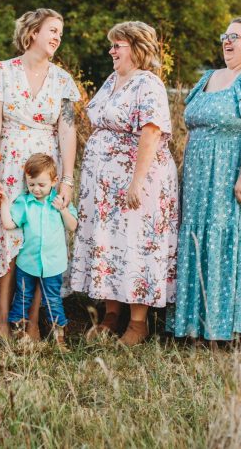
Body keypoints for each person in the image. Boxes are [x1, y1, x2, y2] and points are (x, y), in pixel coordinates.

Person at [168, 18, 241, 343]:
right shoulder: (208, 77)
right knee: (200, 238)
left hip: (234, 172)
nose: (227, 42)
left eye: (236, 37)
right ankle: (200, 325)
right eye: (225, 36)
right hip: (199, 178)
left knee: (235, 238)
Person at [69, 21, 179, 346]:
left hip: (139, 178)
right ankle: (110, 312)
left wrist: (137, 182)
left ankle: (138, 321)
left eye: (117, 45)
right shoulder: (113, 80)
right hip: (104, 187)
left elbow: (151, 131)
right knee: (109, 243)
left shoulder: (148, 83)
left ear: (136, 46)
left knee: (136, 244)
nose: (111, 50)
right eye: (112, 45)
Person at [0, 9, 80, 339]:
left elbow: (67, 130)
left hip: (46, 164)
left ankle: (33, 322)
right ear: (32, 32)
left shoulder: (62, 79)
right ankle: (3, 318)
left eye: (60, 33)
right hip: (9, 162)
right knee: (10, 239)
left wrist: (66, 179)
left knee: (41, 241)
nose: (57, 37)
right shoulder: (2, 72)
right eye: (52, 30)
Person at [0, 153, 78, 350]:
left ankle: (59, 338)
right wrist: (4, 203)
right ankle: (20, 334)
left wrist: (63, 210)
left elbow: (72, 226)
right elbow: (9, 224)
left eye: (41, 185)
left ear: (54, 181)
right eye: (31, 184)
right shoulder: (24, 203)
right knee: (23, 297)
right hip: (27, 262)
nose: (35, 189)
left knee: (53, 299)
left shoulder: (59, 202)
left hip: (52, 263)